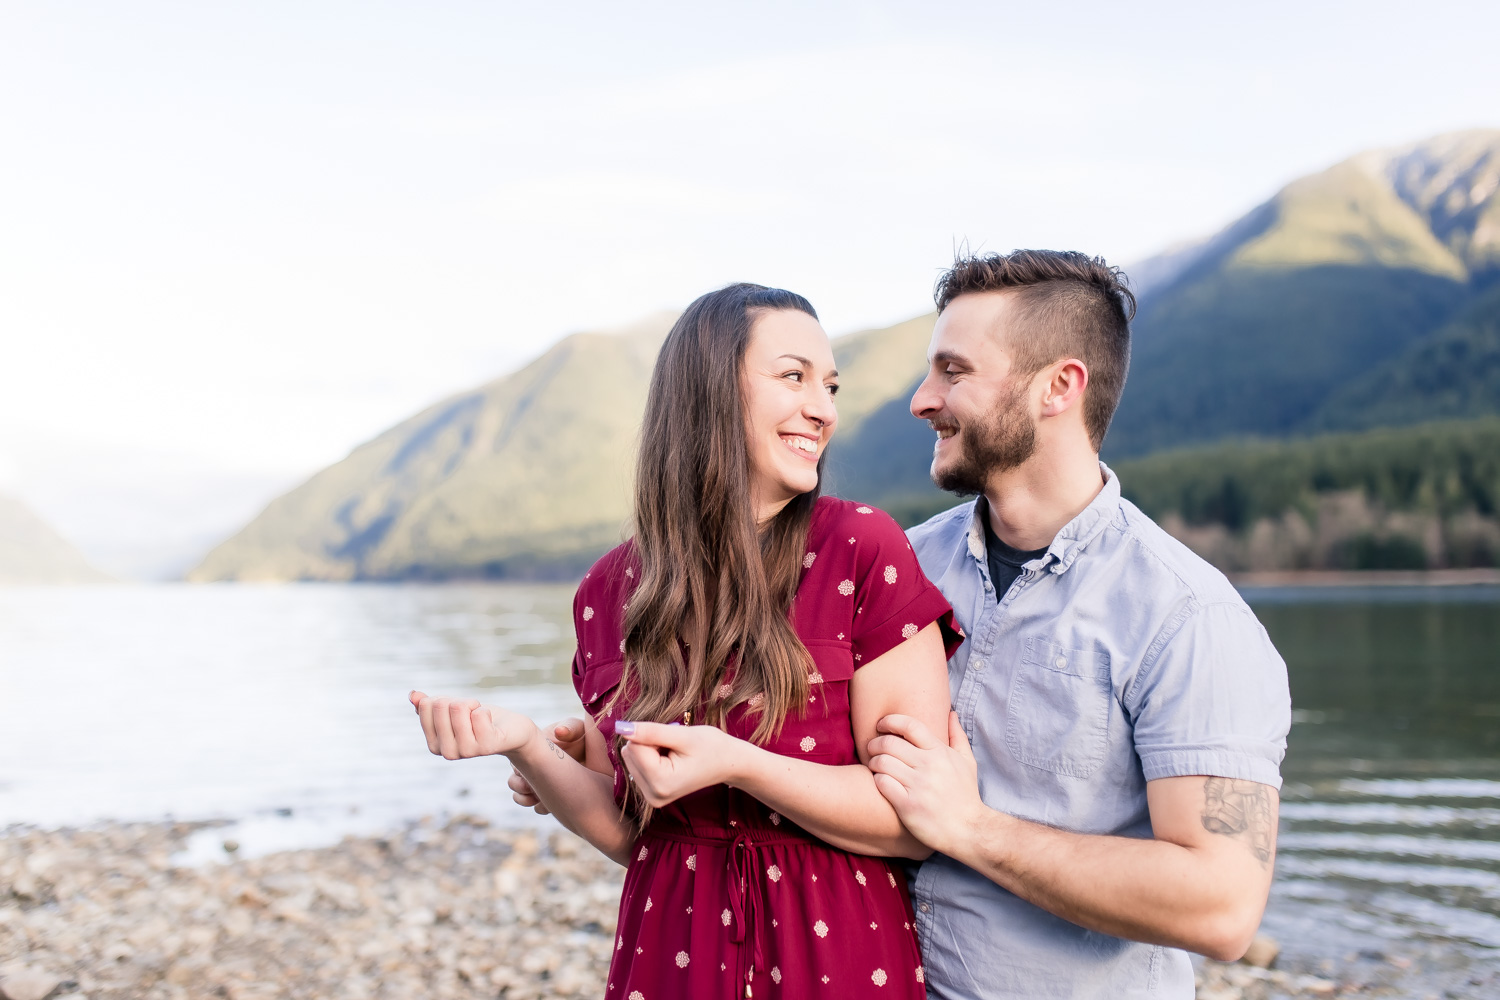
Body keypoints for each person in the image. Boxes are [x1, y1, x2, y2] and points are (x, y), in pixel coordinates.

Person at [411, 282, 961, 999]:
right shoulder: (607, 594)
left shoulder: (861, 548)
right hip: (668, 957)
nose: (823, 409)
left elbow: (913, 822)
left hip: (838, 964)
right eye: (793, 377)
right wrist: (527, 747)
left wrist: (738, 764)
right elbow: (628, 831)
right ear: (708, 391)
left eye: (829, 385)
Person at [864, 250, 1292, 999]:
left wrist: (969, 827)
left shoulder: (1189, 616)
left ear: (1059, 387)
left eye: (953, 371)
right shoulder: (902, 566)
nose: (922, 399)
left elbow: (1223, 905)